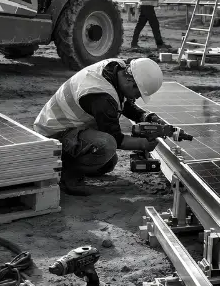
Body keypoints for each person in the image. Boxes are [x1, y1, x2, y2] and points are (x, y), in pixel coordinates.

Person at [34, 57, 166, 195]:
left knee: (108, 162)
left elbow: (122, 101)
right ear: (130, 80)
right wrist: (143, 144)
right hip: (53, 135)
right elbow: (116, 138)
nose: (138, 97)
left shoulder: (117, 69)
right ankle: (67, 176)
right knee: (106, 145)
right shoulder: (100, 95)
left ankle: (74, 163)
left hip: (69, 128)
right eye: (138, 93)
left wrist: (145, 116)